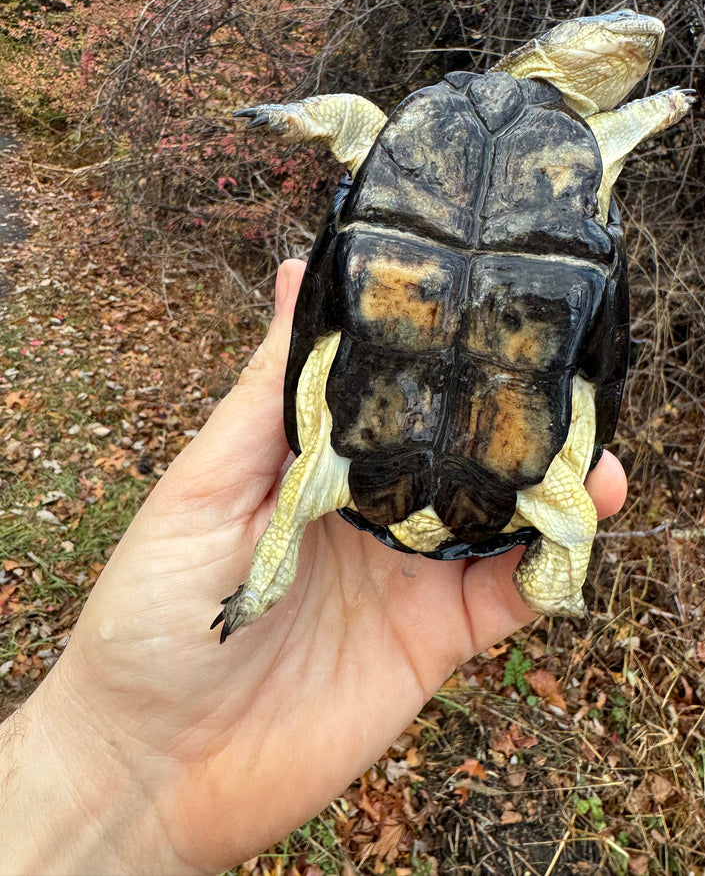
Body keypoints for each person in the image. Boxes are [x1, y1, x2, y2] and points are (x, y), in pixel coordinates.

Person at [0, 259, 627, 876]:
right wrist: (559, 581)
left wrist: (260, 588)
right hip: (543, 305)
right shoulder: (528, 487)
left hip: (397, 293)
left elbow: (298, 495)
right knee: (577, 520)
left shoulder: (332, 467)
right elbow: (573, 512)